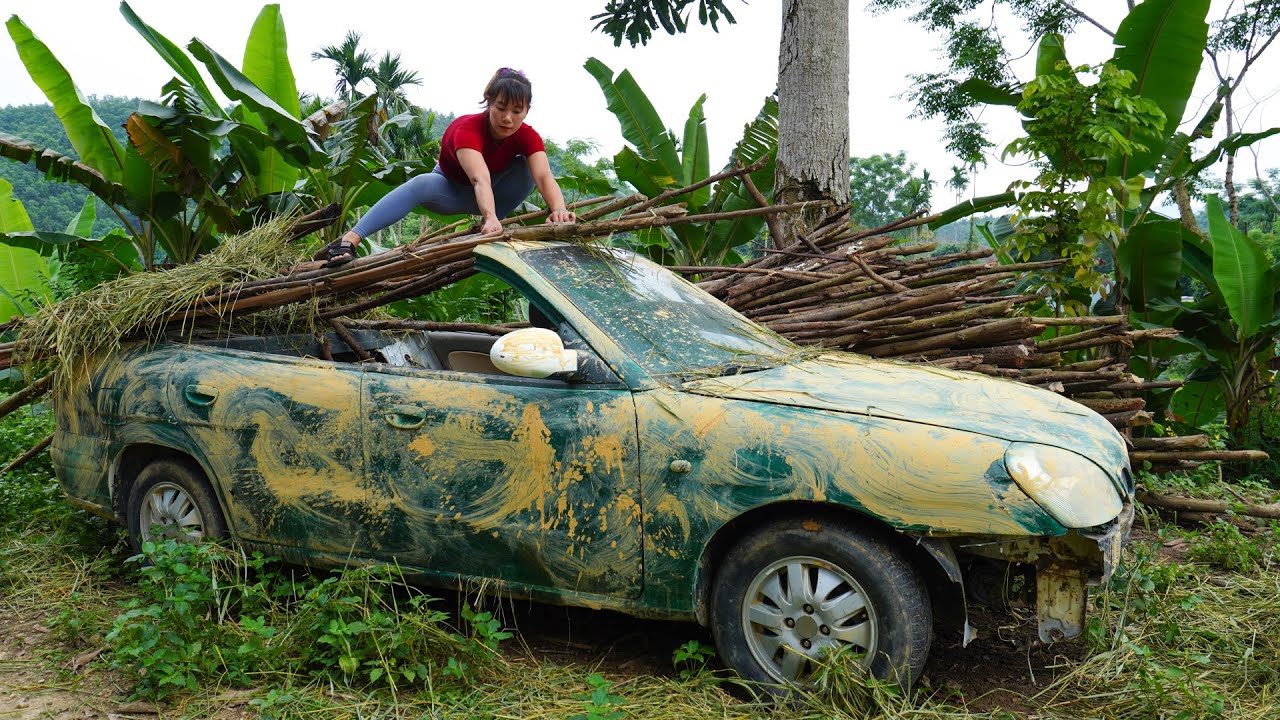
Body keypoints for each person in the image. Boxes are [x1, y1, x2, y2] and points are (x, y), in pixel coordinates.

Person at [326, 67, 576, 264]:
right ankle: (349, 240)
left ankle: (493, 221)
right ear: (489, 102)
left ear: (527, 111)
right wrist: (488, 216)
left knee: (527, 167)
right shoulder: (467, 129)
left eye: (517, 111)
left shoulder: (528, 136)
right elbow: (480, 179)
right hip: (452, 190)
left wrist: (559, 210)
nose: (508, 118)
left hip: (496, 195)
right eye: (500, 108)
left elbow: (543, 176)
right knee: (421, 182)